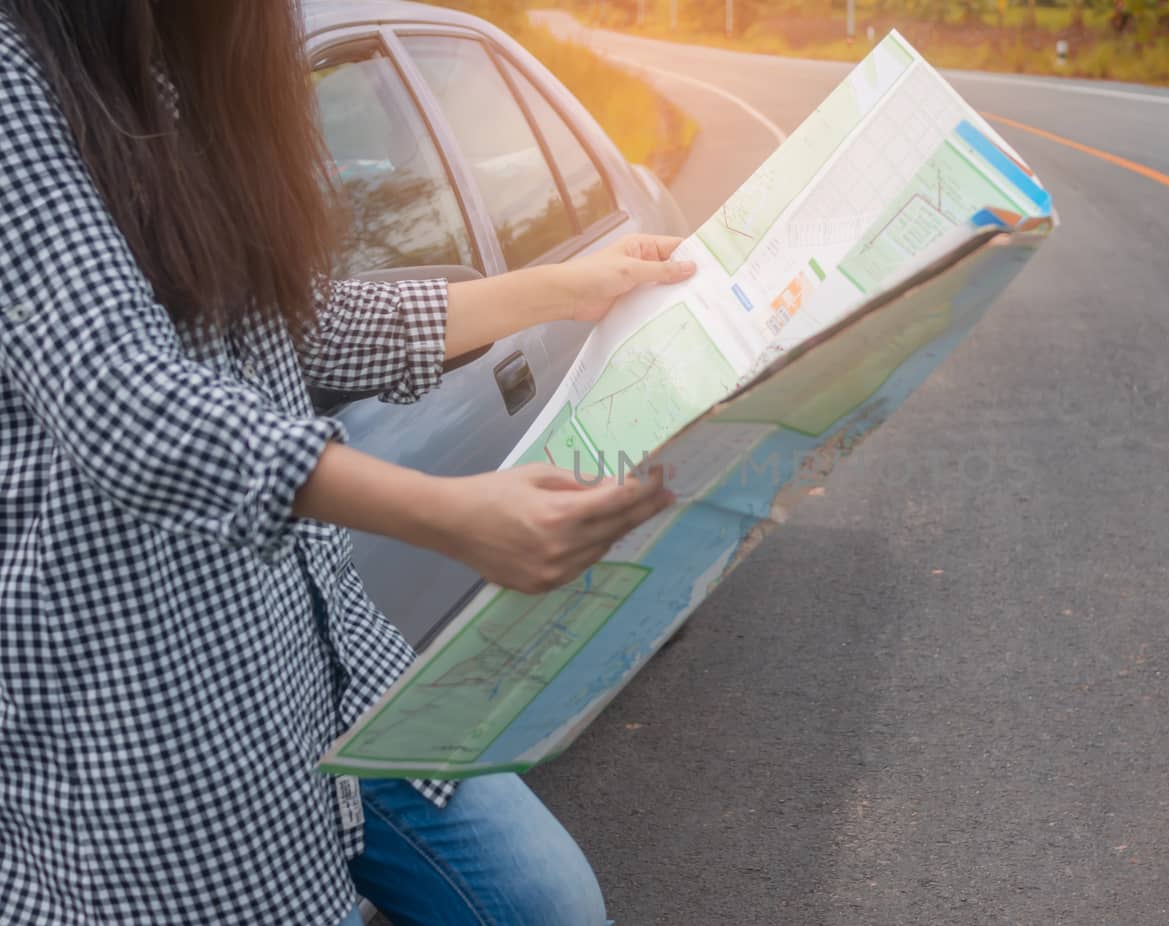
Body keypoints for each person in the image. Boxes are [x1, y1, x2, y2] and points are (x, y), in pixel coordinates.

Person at [0, 2, 689, 923]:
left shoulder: (180, 57)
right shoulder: (18, 76)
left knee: (548, 902)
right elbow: (123, 395)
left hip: (325, 653)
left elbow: (294, 323)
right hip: (156, 724)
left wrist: (566, 286)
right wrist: (446, 513)